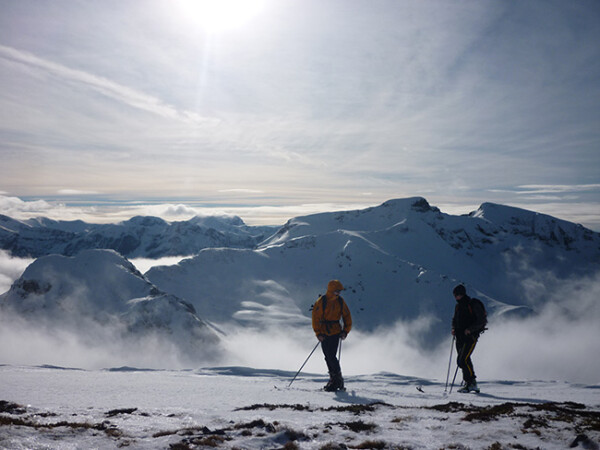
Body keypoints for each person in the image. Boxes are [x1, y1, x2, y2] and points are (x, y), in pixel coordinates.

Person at [311, 280, 352, 391]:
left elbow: (347, 316)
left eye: (339, 291)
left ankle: (336, 379)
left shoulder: (340, 302)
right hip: (324, 332)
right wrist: (318, 333)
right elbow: (315, 318)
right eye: (337, 291)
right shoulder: (321, 301)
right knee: (328, 356)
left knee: (331, 356)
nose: (339, 293)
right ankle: (336, 379)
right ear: (331, 290)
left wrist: (345, 331)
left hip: (334, 332)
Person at [451, 284, 486, 393]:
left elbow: (481, 321)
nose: (455, 297)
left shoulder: (472, 304)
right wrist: (453, 328)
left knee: (462, 360)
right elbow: (455, 319)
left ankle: (471, 383)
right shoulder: (459, 306)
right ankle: (469, 383)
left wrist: (470, 330)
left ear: (460, 294)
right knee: (464, 360)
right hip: (460, 337)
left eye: (456, 295)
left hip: (470, 337)